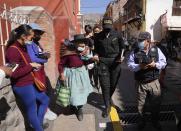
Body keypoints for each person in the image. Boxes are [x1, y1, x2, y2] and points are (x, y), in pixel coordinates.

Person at [5, 24, 49, 131]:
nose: (32, 39)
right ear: (24, 36)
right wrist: (31, 66)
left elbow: (25, 64)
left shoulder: (23, 47)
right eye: (31, 36)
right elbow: (14, 74)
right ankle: (38, 128)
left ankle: (37, 125)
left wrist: (33, 65)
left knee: (45, 100)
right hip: (22, 85)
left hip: (30, 82)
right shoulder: (12, 51)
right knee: (32, 110)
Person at [127, 32, 167, 130]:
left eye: (141, 40)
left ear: (148, 41)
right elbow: (130, 65)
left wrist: (155, 65)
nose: (139, 42)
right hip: (140, 83)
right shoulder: (135, 51)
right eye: (138, 40)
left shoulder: (156, 50)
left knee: (156, 104)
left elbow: (164, 62)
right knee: (141, 105)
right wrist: (139, 66)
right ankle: (142, 122)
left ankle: (155, 121)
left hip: (154, 83)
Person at [93, 16, 125, 118]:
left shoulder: (118, 34)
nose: (107, 28)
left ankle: (108, 99)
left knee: (113, 84)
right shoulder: (98, 36)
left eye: (109, 26)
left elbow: (123, 47)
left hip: (116, 61)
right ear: (103, 26)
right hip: (103, 62)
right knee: (105, 85)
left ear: (111, 25)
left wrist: (122, 56)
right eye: (105, 26)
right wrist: (96, 54)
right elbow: (96, 49)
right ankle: (107, 106)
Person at [27, 23, 57, 121]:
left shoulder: (36, 43)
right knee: (39, 90)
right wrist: (44, 59)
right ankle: (41, 114)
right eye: (37, 33)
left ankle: (44, 111)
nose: (39, 36)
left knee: (42, 88)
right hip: (35, 71)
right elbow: (32, 58)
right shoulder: (29, 44)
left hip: (40, 70)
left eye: (40, 33)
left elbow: (39, 54)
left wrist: (45, 55)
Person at [58, 36, 93, 121]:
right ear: (74, 43)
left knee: (82, 92)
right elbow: (60, 64)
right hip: (71, 75)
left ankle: (79, 109)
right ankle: (73, 107)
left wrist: (91, 59)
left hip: (81, 74)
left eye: (83, 42)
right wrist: (62, 74)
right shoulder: (68, 52)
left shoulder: (84, 52)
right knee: (73, 93)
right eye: (79, 42)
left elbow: (86, 61)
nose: (81, 44)